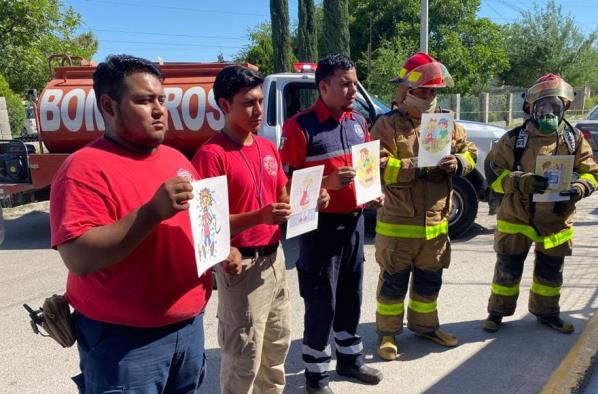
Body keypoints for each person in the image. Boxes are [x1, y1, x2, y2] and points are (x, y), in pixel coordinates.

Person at [49, 54, 240, 393]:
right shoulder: (83, 169)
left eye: (161, 100)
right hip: (125, 344)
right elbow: (78, 257)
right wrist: (151, 212)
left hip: (188, 329)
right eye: (143, 100)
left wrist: (221, 251)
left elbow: (198, 225)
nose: (159, 110)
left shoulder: (176, 159)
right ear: (109, 105)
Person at [191, 65, 328, 394]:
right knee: (244, 358)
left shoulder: (267, 148)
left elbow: (282, 199)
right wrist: (258, 218)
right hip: (242, 269)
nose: (258, 110)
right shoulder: (211, 155)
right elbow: (205, 223)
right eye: (248, 103)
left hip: (274, 261)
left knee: (276, 348)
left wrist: (311, 201)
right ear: (224, 105)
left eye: (260, 101)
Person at [281, 54, 384, 394]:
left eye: (354, 83)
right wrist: (325, 184)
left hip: (354, 224)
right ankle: (316, 377)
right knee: (321, 300)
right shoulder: (300, 126)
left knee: (351, 294)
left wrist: (371, 192)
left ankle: (350, 359)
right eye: (345, 83)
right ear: (323, 86)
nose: (352, 89)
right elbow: (286, 184)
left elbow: (364, 171)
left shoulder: (357, 123)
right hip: (318, 228)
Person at [369, 53, 478, 361]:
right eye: (423, 91)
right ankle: (388, 334)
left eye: (434, 91)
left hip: (435, 226)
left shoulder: (446, 125)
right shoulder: (386, 125)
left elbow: (469, 153)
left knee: (430, 283)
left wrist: (458, 162)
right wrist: (416, 165)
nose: (430, 97)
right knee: (393, 285)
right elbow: (376, 167)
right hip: (398, 225)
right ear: (405, 91)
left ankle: (425, 327)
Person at [482, 73, 598, 334]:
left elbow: (592, 172)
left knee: (550, 274)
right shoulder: (514, 139)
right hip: (517, 218)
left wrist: (579, 188)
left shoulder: (574, 139)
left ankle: (547, 314)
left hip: (556, 221)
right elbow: (493, 174)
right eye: (543, 107)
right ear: (532, 109)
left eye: (554, 107)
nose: (548, 113)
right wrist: (519, 182)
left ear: (563, 108)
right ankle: (497, 313)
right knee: (507, 271)